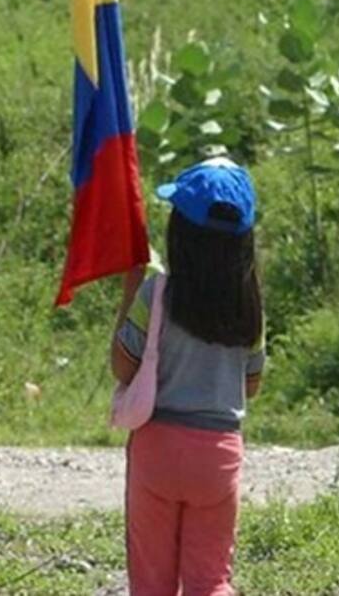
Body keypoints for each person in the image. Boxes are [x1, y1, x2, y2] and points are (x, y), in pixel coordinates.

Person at [111, 157, 265, 596]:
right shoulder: (250, 307)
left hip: (157, 448)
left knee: (151, 583)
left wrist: (129, 295)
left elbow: (123, 366)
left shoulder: (155, 293)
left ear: (180, 234)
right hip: (218, 455)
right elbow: (251, 384)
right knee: (211, 580)